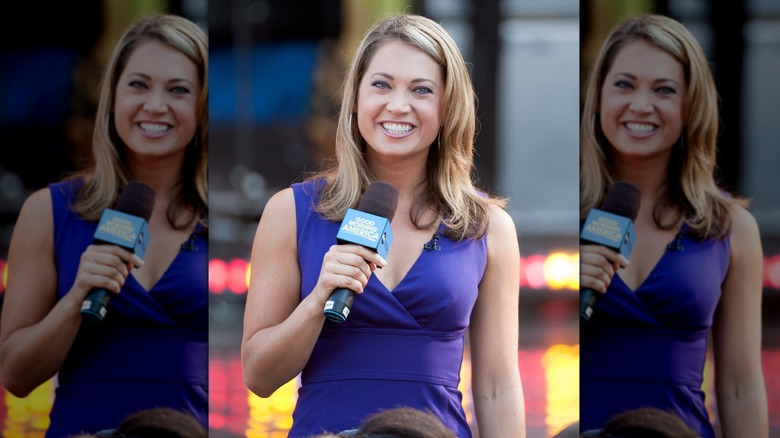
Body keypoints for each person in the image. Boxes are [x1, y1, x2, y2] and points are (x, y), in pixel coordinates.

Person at [241, 13, 525, 438]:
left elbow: (498, 387)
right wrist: (318, 300)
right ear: (356, 97)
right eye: (381, 85)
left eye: (421, 90)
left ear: (447, 108)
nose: (398, 105)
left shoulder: (489, 228)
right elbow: (259, 377)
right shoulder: (290, 212)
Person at [0, 14, 208, 436]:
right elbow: (16, 376)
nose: (155, 105)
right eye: (138, 85)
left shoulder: (218, 218)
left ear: (202, 108)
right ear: (111, 97)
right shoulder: (49, 212)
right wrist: (76, 298)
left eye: (178, 90)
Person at [579, 14, 767, 438]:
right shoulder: (570, 214)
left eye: (664, 90)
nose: (641, 105)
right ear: (599, 98)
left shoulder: (731, 228)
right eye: (624, 85)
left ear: (690, 107)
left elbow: (740, 387)